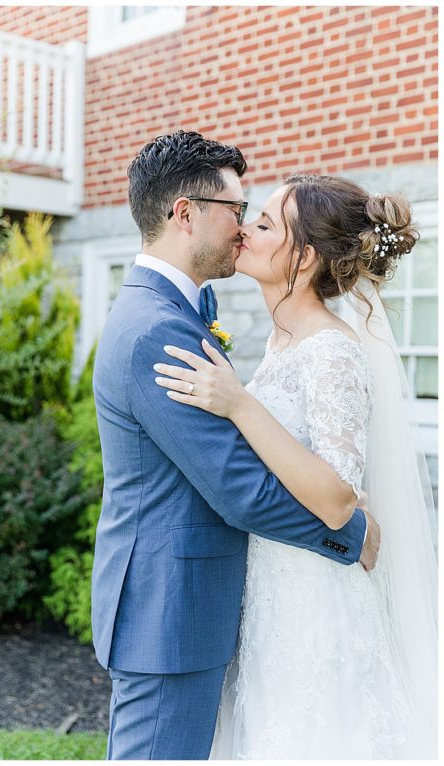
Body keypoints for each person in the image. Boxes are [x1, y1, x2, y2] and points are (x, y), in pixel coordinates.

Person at [89, 131, 379, 760]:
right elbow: (238, 488)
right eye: (237, 211)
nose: (243, 230)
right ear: (185, 214)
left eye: (257, 218)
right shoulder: (156, 329)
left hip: (214, 607)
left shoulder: (185, 308)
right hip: (168, 612)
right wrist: (350, 533)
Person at [154, 175, 437, 758]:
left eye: (263, 225)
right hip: (272, 587)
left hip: (315, 600)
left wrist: (239, 404)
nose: (244, 230)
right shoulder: (284, 343)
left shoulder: (330, 349)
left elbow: (338, 499)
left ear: (304, 258)